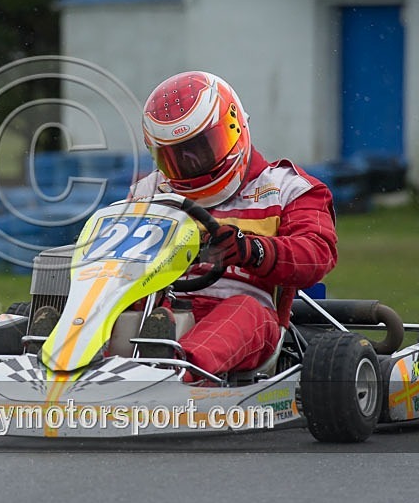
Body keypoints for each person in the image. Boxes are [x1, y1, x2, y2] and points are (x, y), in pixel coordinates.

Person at [130, 70, 338, 377]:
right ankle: (61, 361)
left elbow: (317, 255)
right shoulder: (150, 192)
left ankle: (177, 372)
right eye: (176, 156)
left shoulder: (288, 188)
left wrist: (252, 250)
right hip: (162, 310)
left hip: (246, 315)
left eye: (201, 147)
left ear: (233, 127)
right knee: (114, 306)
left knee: (243, 311)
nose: (191, 163)